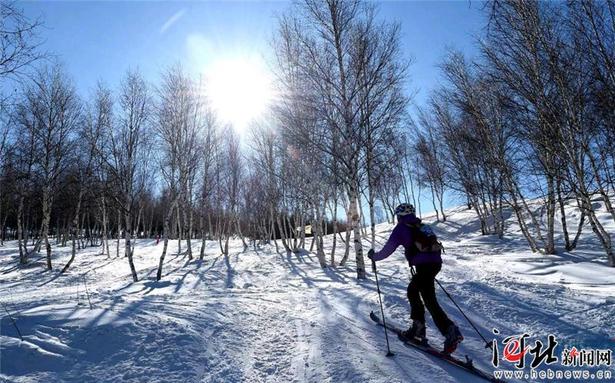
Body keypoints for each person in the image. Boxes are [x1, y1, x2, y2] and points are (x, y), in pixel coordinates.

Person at [368, 203, 463, 354]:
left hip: (424, 266)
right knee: (428, 298)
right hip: (434, 265)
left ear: (399, 215)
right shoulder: (423, 226)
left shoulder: (401, 228)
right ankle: (439, 330)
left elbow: (388, 250)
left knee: (413, 292)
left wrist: (374, 256)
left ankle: (428, 328)